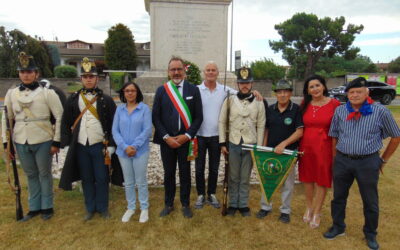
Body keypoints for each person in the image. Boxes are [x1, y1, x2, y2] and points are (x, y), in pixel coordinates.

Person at [323, 77, 400, 250]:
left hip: (368, 161)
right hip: (342, 160)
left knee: (370, 201)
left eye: (359, 92)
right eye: (352, 92)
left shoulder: (380, 111)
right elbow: (334, 135)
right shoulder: (341, 111)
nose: (355, 95)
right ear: (347, 94)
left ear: (367, 93)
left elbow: (396, 136)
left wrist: (383, 160)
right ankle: (338, 227)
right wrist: (336, 159)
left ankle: (370, 234)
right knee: (338, 197)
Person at [2, 52, 63, 221]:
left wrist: (57, 140)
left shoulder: (47, 93)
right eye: (23, 72)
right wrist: (6, 141)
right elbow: (7, 118)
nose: (26, 75)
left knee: (44, 174)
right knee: (30, 174)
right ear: (19, 74)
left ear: (36, 73)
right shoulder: (12, 94)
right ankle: (34, 207)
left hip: (43, 138)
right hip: (21, 139)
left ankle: (47, 206)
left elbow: (59, 116)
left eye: (29, 72)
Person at [195, 61, 264, 209]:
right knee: (201, 167)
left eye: (214, 70)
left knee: (216, 168)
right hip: (201, 135)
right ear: (204, 72)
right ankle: (203, 195)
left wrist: (256, 93)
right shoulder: (197, 90)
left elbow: (246, 97)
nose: (211, 72)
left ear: (218, 73)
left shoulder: (226, 91)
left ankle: (219, 196)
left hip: (226, 138)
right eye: (208, 70)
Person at [59, 57, 118, 221]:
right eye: (85, 77)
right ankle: (90, 208)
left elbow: (114, 124)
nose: (88, 79)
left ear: (97, 79)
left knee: (102, 177)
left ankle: (103, 207)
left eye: (91, 76)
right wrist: (66, 143)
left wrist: (112, 145)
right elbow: (66, 121)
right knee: (86, 178)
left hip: (99, 145)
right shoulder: (72, 99)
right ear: (81, 79)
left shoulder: (106, 100)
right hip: (80, 145)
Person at [152, 56, 203, 218]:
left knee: (185, 173)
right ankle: (168, 204)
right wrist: (166, 137)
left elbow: (198, 117)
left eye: (179, 69)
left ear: (184, 71)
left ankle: (185, 204)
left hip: (185, 141)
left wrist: (187, 136)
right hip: (167, 142)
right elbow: (156, 118)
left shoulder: (193, 90)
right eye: (173, 69)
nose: (176, 72)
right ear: (168, 72)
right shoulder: (161, 90)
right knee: (168, 174)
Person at [219, 67, 265, 217]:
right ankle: (233, 204)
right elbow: (221, 122)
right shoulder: (230, 100)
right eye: (241, 83)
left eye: (247, 82)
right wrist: (222, 143)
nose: (244, 85)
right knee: (233, 176)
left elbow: (261, 124)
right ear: (237, 84)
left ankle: (243, 204)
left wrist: (258, 146)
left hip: (250, 144)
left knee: (245, 177)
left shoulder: (259, 102)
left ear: (252, 83)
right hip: (233, 142)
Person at [256, 80, 303, 223]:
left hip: (288, 153)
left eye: (286, 92)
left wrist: (284, 144)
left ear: (290, 93)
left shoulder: (296, 109)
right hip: (270, 152)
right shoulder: (270, 109)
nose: (282, 95)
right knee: (267, 180)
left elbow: (300, 131)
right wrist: (263, 148)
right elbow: (266, 130)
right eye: (279, 92)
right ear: (275, 94)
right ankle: (265, 207)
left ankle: (285, 210)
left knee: (288, 184)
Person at [298, 75, 340, 228]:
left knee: (322, 179)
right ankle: (309, 207)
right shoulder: (305, 104)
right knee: (307, 178)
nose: (315, 89)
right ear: (307, 91)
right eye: (311, 87)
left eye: (317, 85)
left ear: (323, 86)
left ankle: (317, 211)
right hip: (306, 146)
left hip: (325, 146)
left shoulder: (335, 104)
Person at [112, 82, 152, 223]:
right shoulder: (119, 110)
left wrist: (134, 146)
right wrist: (124, 147)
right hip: (123, 152)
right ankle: (130, 207)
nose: (130, 93)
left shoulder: (144, 109)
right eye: (127, 90)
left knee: (140, 181)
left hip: (140, 151)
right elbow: (115, 131)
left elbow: (147, 130)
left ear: (137, 92)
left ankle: (144, 208)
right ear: (123, 93)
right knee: (128, 182)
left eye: (133, 90)